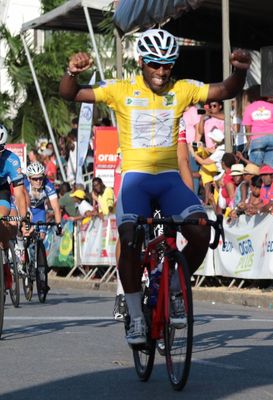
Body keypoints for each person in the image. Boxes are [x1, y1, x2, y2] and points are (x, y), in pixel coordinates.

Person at [59, 28, 250, 344]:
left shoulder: (183, 89)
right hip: (136, 180)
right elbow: (71, 93)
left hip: (169, 181)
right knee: (130, 237)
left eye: (167, 65)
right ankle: (135, 315)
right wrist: (72, 73)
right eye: (154, 65)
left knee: (201, 229)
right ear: (140, 61)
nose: (161, 72)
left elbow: (226, 90)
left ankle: (176, 283)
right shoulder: (120, 89)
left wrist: (239, 71)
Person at [21, 162, 62, 291]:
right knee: (26, 233)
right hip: (24, 209)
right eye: (34, 178)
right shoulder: (24, 185)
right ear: (29, 178)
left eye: (40, 178)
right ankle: (23, 257)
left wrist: (58, 224)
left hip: (39, 211)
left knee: (41, 237)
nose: (38, 181)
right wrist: (25, 223)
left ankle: (40, 270)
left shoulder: (48, 185)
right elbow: (20, 204)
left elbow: (55, 207)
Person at [0, 124, 28, 253]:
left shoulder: (12, 160)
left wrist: (23, 217)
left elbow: (19, 193)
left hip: (1, 190)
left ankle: (5, 254)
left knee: (2, 217)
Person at [243, 96, 273, 167]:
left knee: (255, 168)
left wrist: (248, 141)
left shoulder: (250, 108)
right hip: (272, 137)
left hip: (257, 138)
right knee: (270, 168)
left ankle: (256, 178)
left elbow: (247, 127)